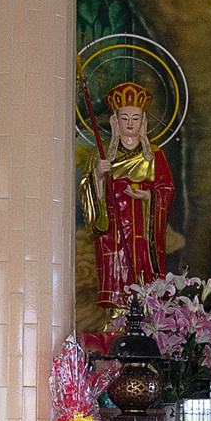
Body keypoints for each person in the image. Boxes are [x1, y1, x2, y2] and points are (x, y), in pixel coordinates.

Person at [79, 81, 176, 313]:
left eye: (135, 118)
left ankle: (145, 315)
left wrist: (147, 195)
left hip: (143, 232)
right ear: (115, 122)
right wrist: (99, 176)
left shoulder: (154, 156)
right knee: (117, 277)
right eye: (124, 118)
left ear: (143, 122)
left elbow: (167, 189)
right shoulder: (101, 154)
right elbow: (86, 189)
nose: (130, 123)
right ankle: (116, 317)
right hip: (113, 232)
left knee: (143, 282)